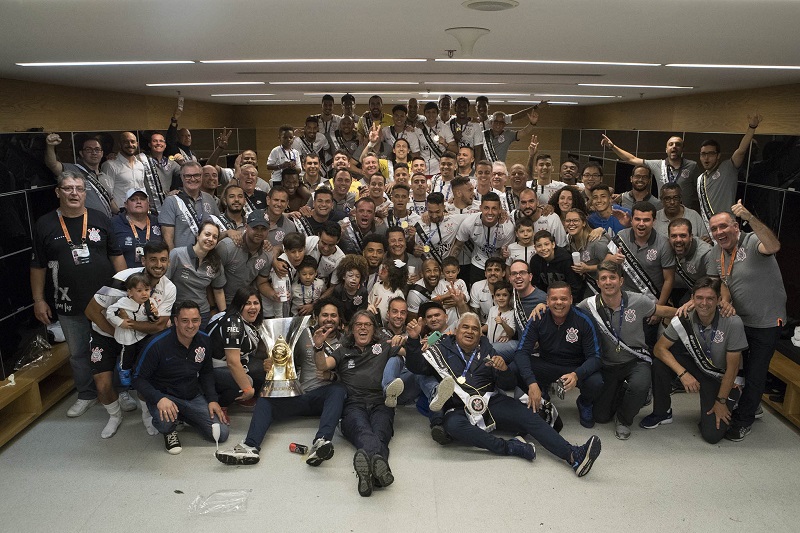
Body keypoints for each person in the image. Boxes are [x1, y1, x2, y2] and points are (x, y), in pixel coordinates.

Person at [405, 313, 602, 476]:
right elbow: (416, 366)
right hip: (458, 406)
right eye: (465, 327)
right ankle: (510, 447)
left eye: (475, 328)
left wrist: (504, 370)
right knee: (453, 426)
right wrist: (413, 340)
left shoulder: (486, 348)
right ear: (456, 330)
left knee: (529, 416)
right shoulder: (441, 348)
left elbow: (507, 384)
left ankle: (573, 455)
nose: (470, 331)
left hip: (491, 400)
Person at [31, 170, 126, 418]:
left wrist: (126, 292)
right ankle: (86, 394)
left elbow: (116, 256)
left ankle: (121, 391)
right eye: (68, 188)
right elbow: (38, 266)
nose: (74, 193)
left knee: (116, 344)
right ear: (58, 192)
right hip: (68, 301)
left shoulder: (101, 218)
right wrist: (39, 300)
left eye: (79, 189)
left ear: (85, 193)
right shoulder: (45, 223)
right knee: (79, 352)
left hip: (105, 300)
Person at [215, 297, 348, 467]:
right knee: (265, 397)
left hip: (325, 399)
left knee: (338, 390)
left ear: (339, 319)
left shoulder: (346, 341)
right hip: (300, 395)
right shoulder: (304, 334)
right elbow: (285, 359)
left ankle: (321, 443)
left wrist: (333, 377)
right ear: (316, 316)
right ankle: (250, 446)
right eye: (325, 315)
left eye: (333, 315)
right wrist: (270, 363)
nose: (329, 319)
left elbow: (352, 376)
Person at [704, 204, 786, 441]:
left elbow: (774, 246)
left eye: (723, 226)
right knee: (738, 369)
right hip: (738, 321)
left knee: (756, 373)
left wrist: (750, 216)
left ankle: (743, 421)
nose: (719, 232)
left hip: (767, 321)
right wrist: (724, 300)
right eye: (714, 229)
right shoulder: (715, 252)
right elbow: (720, 282)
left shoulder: (751, 242)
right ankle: (753, 404)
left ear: (736, 227)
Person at [84, 241, 175, 436]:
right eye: (153, 260)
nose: (158, 265)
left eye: (163, 260)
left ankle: (146, 416)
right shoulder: (122, 279)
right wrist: (118, 335)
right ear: (144, 260)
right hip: (105, 333)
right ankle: (114, 416)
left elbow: (159, 325)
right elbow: (91, 310)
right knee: (103, 383)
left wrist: (130, 333)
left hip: (139, 336)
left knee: (145, 377)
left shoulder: (169, 288)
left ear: (168, 262)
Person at [577, 261, 676, 440]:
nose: (608, 282)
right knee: (601, 417)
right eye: (603, 278)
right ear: (598, 283)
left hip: (635, 360)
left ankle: (624, 419)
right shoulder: (588, 305)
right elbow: (565, 312)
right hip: (607, 364)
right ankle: (624, 393)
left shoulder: (638, 300)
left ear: (621, 281)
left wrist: (692, 311)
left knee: (638, 386)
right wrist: (542, 307)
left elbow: (663, 311)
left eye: (613, 277)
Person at [643, 277, 747, 444]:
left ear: (719, 300)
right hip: (698, 369)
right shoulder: (684, 316)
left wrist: (720, 402)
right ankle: (662, 412)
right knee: (660, 363)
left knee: (712, 436)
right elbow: (659, 349)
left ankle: (729, 400)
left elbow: (732, 369)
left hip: (720, 379)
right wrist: (683, 374)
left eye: (710, 298)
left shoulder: (732, 322)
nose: (704, 303)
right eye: (699, 298)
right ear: (692, 299)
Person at [313, 310, 405, 497]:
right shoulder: (343, 351)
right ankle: (381, 473)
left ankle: (369, 474)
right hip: (353, 405)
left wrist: (400, 340)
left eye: (367, 325)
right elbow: (323, 366)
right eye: (358, 325)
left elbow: (404, 353)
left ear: (374, 329)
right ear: (352, 330)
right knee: (365, 432)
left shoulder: (382, 346)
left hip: (381, 403)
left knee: (380, 433)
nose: (363, 328)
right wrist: (318, 347)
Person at [133, 301, 229, 454]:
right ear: (175, 321)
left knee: (222, 434)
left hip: (192, 395)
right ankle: (170, 430)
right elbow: (138, 378)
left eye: (195, 320)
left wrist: (212, 399)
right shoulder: (157, 344)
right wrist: (158, 398)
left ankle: (182, 416)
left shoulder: (204, 340)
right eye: (185, 320)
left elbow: (206, 371)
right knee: (164, 424)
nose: (190, 325)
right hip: (166, 396)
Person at [515, 282, 604, 428]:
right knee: (515, 368)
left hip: (574, 367)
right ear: (547, 301)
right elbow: (521, 352)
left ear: (571, 299)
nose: (559, 303)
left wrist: (577, 374)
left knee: (596, 381)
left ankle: (584, 403)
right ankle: (541, 392)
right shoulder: (538, 317)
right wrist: (532, 382)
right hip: (547, 364)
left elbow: (595, 357)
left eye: (563, 299)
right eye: (554, 299)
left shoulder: (584, 320)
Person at [696, 115, 762, 233]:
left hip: (727, 228)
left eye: (710, 154)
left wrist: (752, 127)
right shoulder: (700, 179)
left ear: (718, 156)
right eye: (703, 154)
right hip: (709, 230)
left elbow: (741, 151)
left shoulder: (727, 168)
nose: (706, 158)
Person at [601, 132, 699, 209]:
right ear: (666, 149)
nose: (674, 146)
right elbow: (631, 159)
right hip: (663, 212)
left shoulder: (692, 166)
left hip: (684, 212)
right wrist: (612, 146)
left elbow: (698, 192)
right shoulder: (658, 165)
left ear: (682, 149)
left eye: (677, 144)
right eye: (670, 144)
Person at [205, 287, 266, 410]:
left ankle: (241, 397)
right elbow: (232, 362)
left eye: (256, 303)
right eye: (247, 303)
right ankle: (220, 404)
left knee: (263, 370)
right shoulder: (233, 323)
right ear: (239, 305)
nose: (253, 307)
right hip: (211, 367)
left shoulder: (247, 319)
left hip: (236, 361)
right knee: (246, 382)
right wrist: (247, 389)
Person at [166, 220, 226, 328]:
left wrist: (224, 316)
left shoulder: (216, 262)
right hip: (178, 312)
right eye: (207, 234)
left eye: (215, 237)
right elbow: (163, 283)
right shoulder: (177, 254)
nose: (210, 239)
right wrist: (164, 314)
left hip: (202, 314)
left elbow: (219, 291)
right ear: (198, 236)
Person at [44, 133, 117, 218]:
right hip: (85, 223)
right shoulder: (72, 170)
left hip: (106, 223)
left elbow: (110, 201)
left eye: (97, 149)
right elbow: (52, 164)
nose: (94, 153)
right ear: (81, 153)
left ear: (102, 153)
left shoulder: (106, 177)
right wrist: (50, 146)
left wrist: (122, 213)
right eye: (89, 150)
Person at [449, 192, 515, 283]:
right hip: (478, 263)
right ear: (480, 208)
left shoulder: (508, 227)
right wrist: (449, 267)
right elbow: (457, 246)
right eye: (486, 208)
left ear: (500, 210)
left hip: (498, 266)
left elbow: (507, 255)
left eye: (494, 208)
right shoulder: (469, 222)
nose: (490, 212)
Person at [159, 162, 224, 250]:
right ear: (182, 178)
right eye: (188, 176)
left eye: (196, 175)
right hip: (182, 259)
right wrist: (173, 260)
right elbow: (168, 239)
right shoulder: (171, 201)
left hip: (207, 257)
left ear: (201, 176)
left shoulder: (209, 199)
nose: (193, 179)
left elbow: (218, 228)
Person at [112, 188, 163, 268]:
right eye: (133, 200)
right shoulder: (114, 223)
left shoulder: (158, 221)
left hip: (155, 273)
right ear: (125, 204)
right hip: (126, 276)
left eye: (142, 199)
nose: (139, 202)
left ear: (148, 203)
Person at [530, 230, 585, 301]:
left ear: (553, 244)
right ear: (535, 248)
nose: (543, 248)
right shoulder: (535, 261)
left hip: (569, 299)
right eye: (539, 246)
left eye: (546, 244)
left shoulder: (566, 259)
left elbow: (575, 285)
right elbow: (536, 285)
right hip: (547, 299)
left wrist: (570, 301)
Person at [667, 218, 712, 305]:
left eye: (683, 236)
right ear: (669, 237)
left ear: (691, 236)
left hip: (707, 291)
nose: (678, 240)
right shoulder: (666, 247)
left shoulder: (706, 253)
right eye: (674, 236)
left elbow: (715, 284)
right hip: (684, 289)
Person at [431, 256, 470, 330]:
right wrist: (445, 296)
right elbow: (433, 299)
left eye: (453, 272)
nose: (450, 275)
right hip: (447, 316)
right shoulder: (440, 283)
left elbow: (467, 298)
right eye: (447, 272)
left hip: (460, 314)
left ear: (458, 271)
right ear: (442, 272)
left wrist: (460, 297)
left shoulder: (461, 282)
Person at [331, 254, 369, 322]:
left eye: (357, 276)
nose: (354, 279)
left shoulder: (363, 291)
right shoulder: (338, 290)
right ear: (343, 276)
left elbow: (362, 311)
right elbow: (336, 310)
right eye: (350, 275)